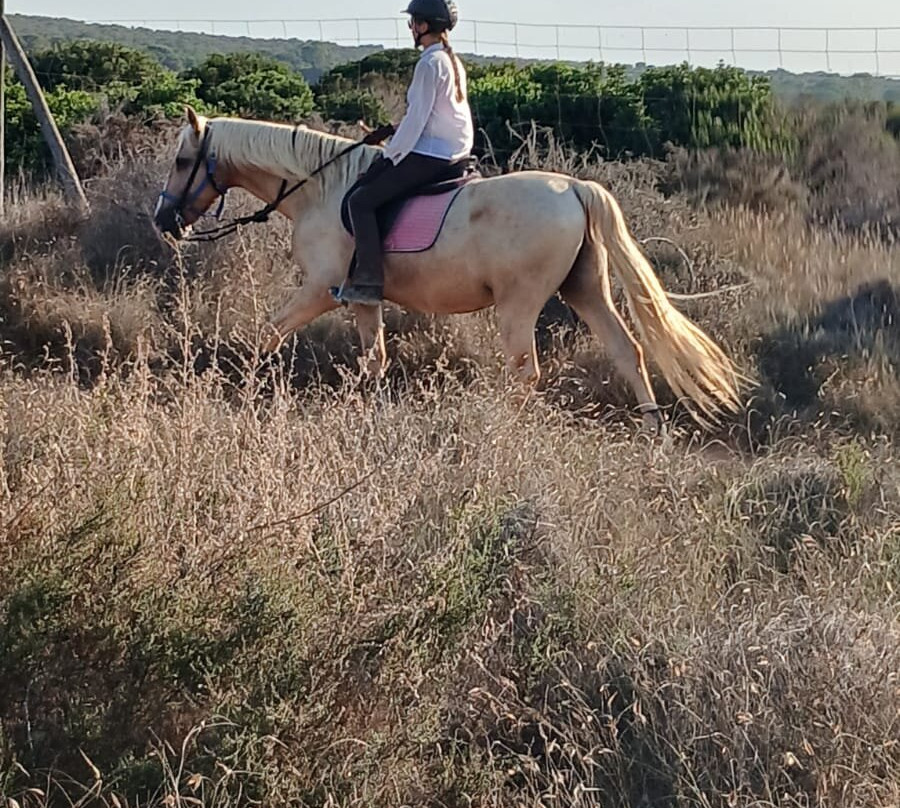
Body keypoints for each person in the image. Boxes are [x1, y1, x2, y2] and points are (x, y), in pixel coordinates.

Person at [333, 0, 475, 306]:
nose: (410, 27)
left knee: (361, 201)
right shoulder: (450, 59)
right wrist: (390, 130)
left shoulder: (428, 64)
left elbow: (417, 121)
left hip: (434, 153)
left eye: (413, 22)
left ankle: (369, 282)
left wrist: (388, 155)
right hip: (454, 148)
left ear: (423, 26)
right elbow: (431, 115)